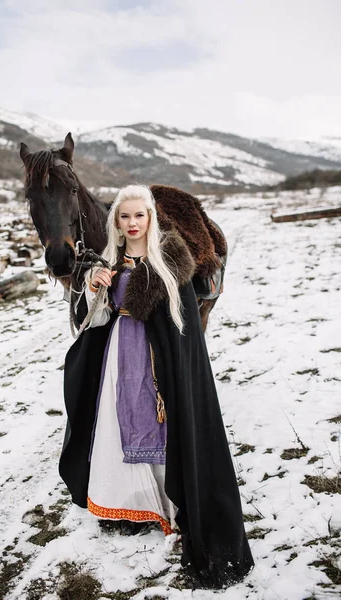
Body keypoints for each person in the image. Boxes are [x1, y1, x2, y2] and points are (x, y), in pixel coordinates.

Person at [59, 185, 254, 589]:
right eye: (124, 217)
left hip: (159, 359)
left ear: (150, 218)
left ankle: (169, 505)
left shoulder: (169, 263)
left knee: (160, 423)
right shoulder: (108, 261)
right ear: (117, 221)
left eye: (139, 216)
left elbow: (181, 325)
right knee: (120, 422)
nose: (132, 224)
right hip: (119, 357)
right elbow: (93, 319)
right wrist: (94, 287)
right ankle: (131, 506)